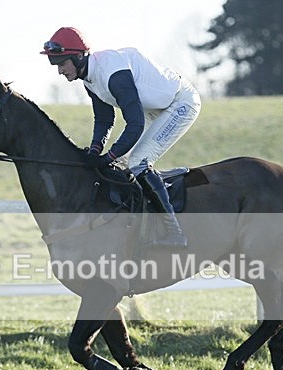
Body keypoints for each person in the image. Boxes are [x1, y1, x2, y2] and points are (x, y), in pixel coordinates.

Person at [40, 27, 201, 248]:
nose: (59, 70)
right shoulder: (89, 77)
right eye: (54, 64)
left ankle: (175, 232)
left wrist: (109, 156)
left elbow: (134, 124)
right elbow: (105, 119)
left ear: (78, 56)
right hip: (152, 108)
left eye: (61, 63)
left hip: (179, 103)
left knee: (137, 162)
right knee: (122, 164)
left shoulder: (113, 75)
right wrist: (96, 150)